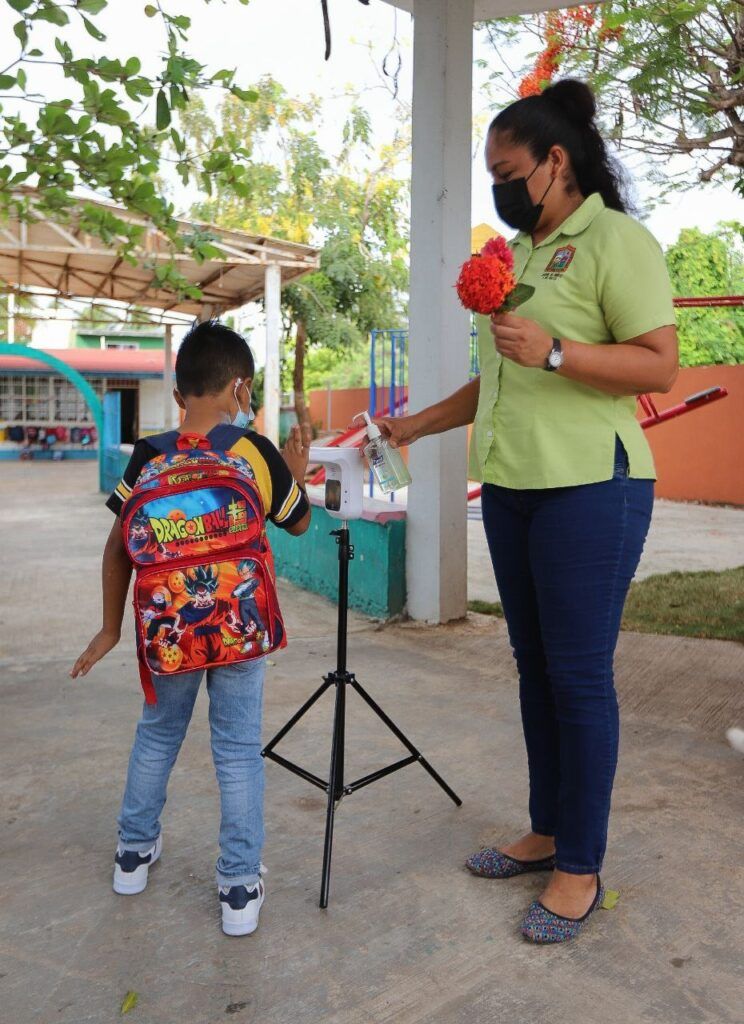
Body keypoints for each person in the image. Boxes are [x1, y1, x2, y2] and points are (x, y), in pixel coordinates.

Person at [377, 79, 678, 944]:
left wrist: (557, 351)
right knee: (536, 668)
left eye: (509, 171)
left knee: (580, 677)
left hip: (594, 486)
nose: (500, 190)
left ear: (556, 162)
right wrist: (416, 422)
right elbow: (502, 375)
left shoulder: (616, 240)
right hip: (514, 490)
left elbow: (659, 365)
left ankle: (581, 863)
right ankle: (546, 832)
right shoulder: (518, 257)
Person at [70, 320, 312, 937]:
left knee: (157, 737)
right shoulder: (252, 450)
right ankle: (237, 889)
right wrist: (294, 471)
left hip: (169, 632)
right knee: (235, 752)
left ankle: (132, 855)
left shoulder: (151, 454)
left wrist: (108, 628)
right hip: (237, 627)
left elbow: (120, 544)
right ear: (241, 388)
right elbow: (300, 523)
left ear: (179, 396)